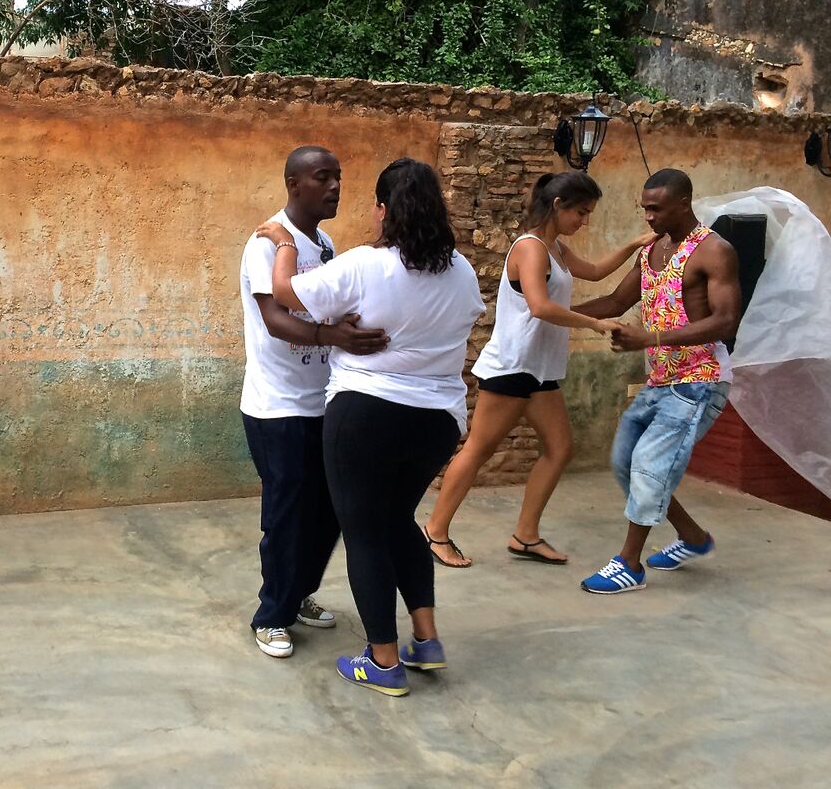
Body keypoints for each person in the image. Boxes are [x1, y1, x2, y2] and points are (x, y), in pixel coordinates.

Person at [257, 157, 484, 696]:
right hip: (438, 421)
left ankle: (383, 661)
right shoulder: (461, 270)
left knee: (363, 533)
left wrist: (283, 243)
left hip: (366, 416)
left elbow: (287, 295)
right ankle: (425, 640)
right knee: (397, 520)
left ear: (383, 210)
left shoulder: (367, 264)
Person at [423, 171, 655, 568]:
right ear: (558, 206)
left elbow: (597, 271)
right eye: (580, 212)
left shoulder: (556, 249)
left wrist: (634, 245)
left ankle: (525, 536)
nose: (583, 221)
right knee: (479, 448)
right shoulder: (530, 249)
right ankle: (435, 532)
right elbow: (540, 306)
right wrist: (596, 323)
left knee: (560, 448)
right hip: (513, 367)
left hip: (539, 370)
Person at [240, 145, 389, 658]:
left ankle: (297, 594)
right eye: (323, 177)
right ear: (294, 184)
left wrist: (343, 325)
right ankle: (271, 615)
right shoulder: (266, 242)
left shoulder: (322, 242)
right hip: (277, 406)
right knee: (286, 513)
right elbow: (276, 321)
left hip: (323, 401)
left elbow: (327, 306)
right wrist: (335, 337)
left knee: (329, 512)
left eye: (339, 177)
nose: (335, 187)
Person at [574, 168, 740, 594]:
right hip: (660, 378)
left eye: (656, 208)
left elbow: (725, 321)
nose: (647, 216)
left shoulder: (715, 251)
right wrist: (554, 316)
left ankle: (629, 564)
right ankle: (694, 538)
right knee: (625, 464)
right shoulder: (651, 252)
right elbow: (615, 300)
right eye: (644, 207)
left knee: (650, 467)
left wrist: (650, 337)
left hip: (700, 380)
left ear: (683, 204)